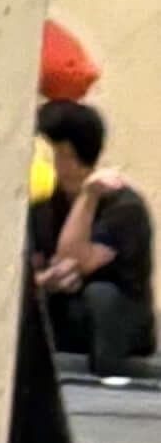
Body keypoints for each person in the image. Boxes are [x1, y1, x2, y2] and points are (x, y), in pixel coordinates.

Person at [35, 97, 155, 380]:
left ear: (66, 152)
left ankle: (119, 372)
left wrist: (88, 198)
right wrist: (42, 282)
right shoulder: (43, 202)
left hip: (118, 321)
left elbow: (72, 260)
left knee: (100, 293)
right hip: (67, 314)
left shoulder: (124, 206)